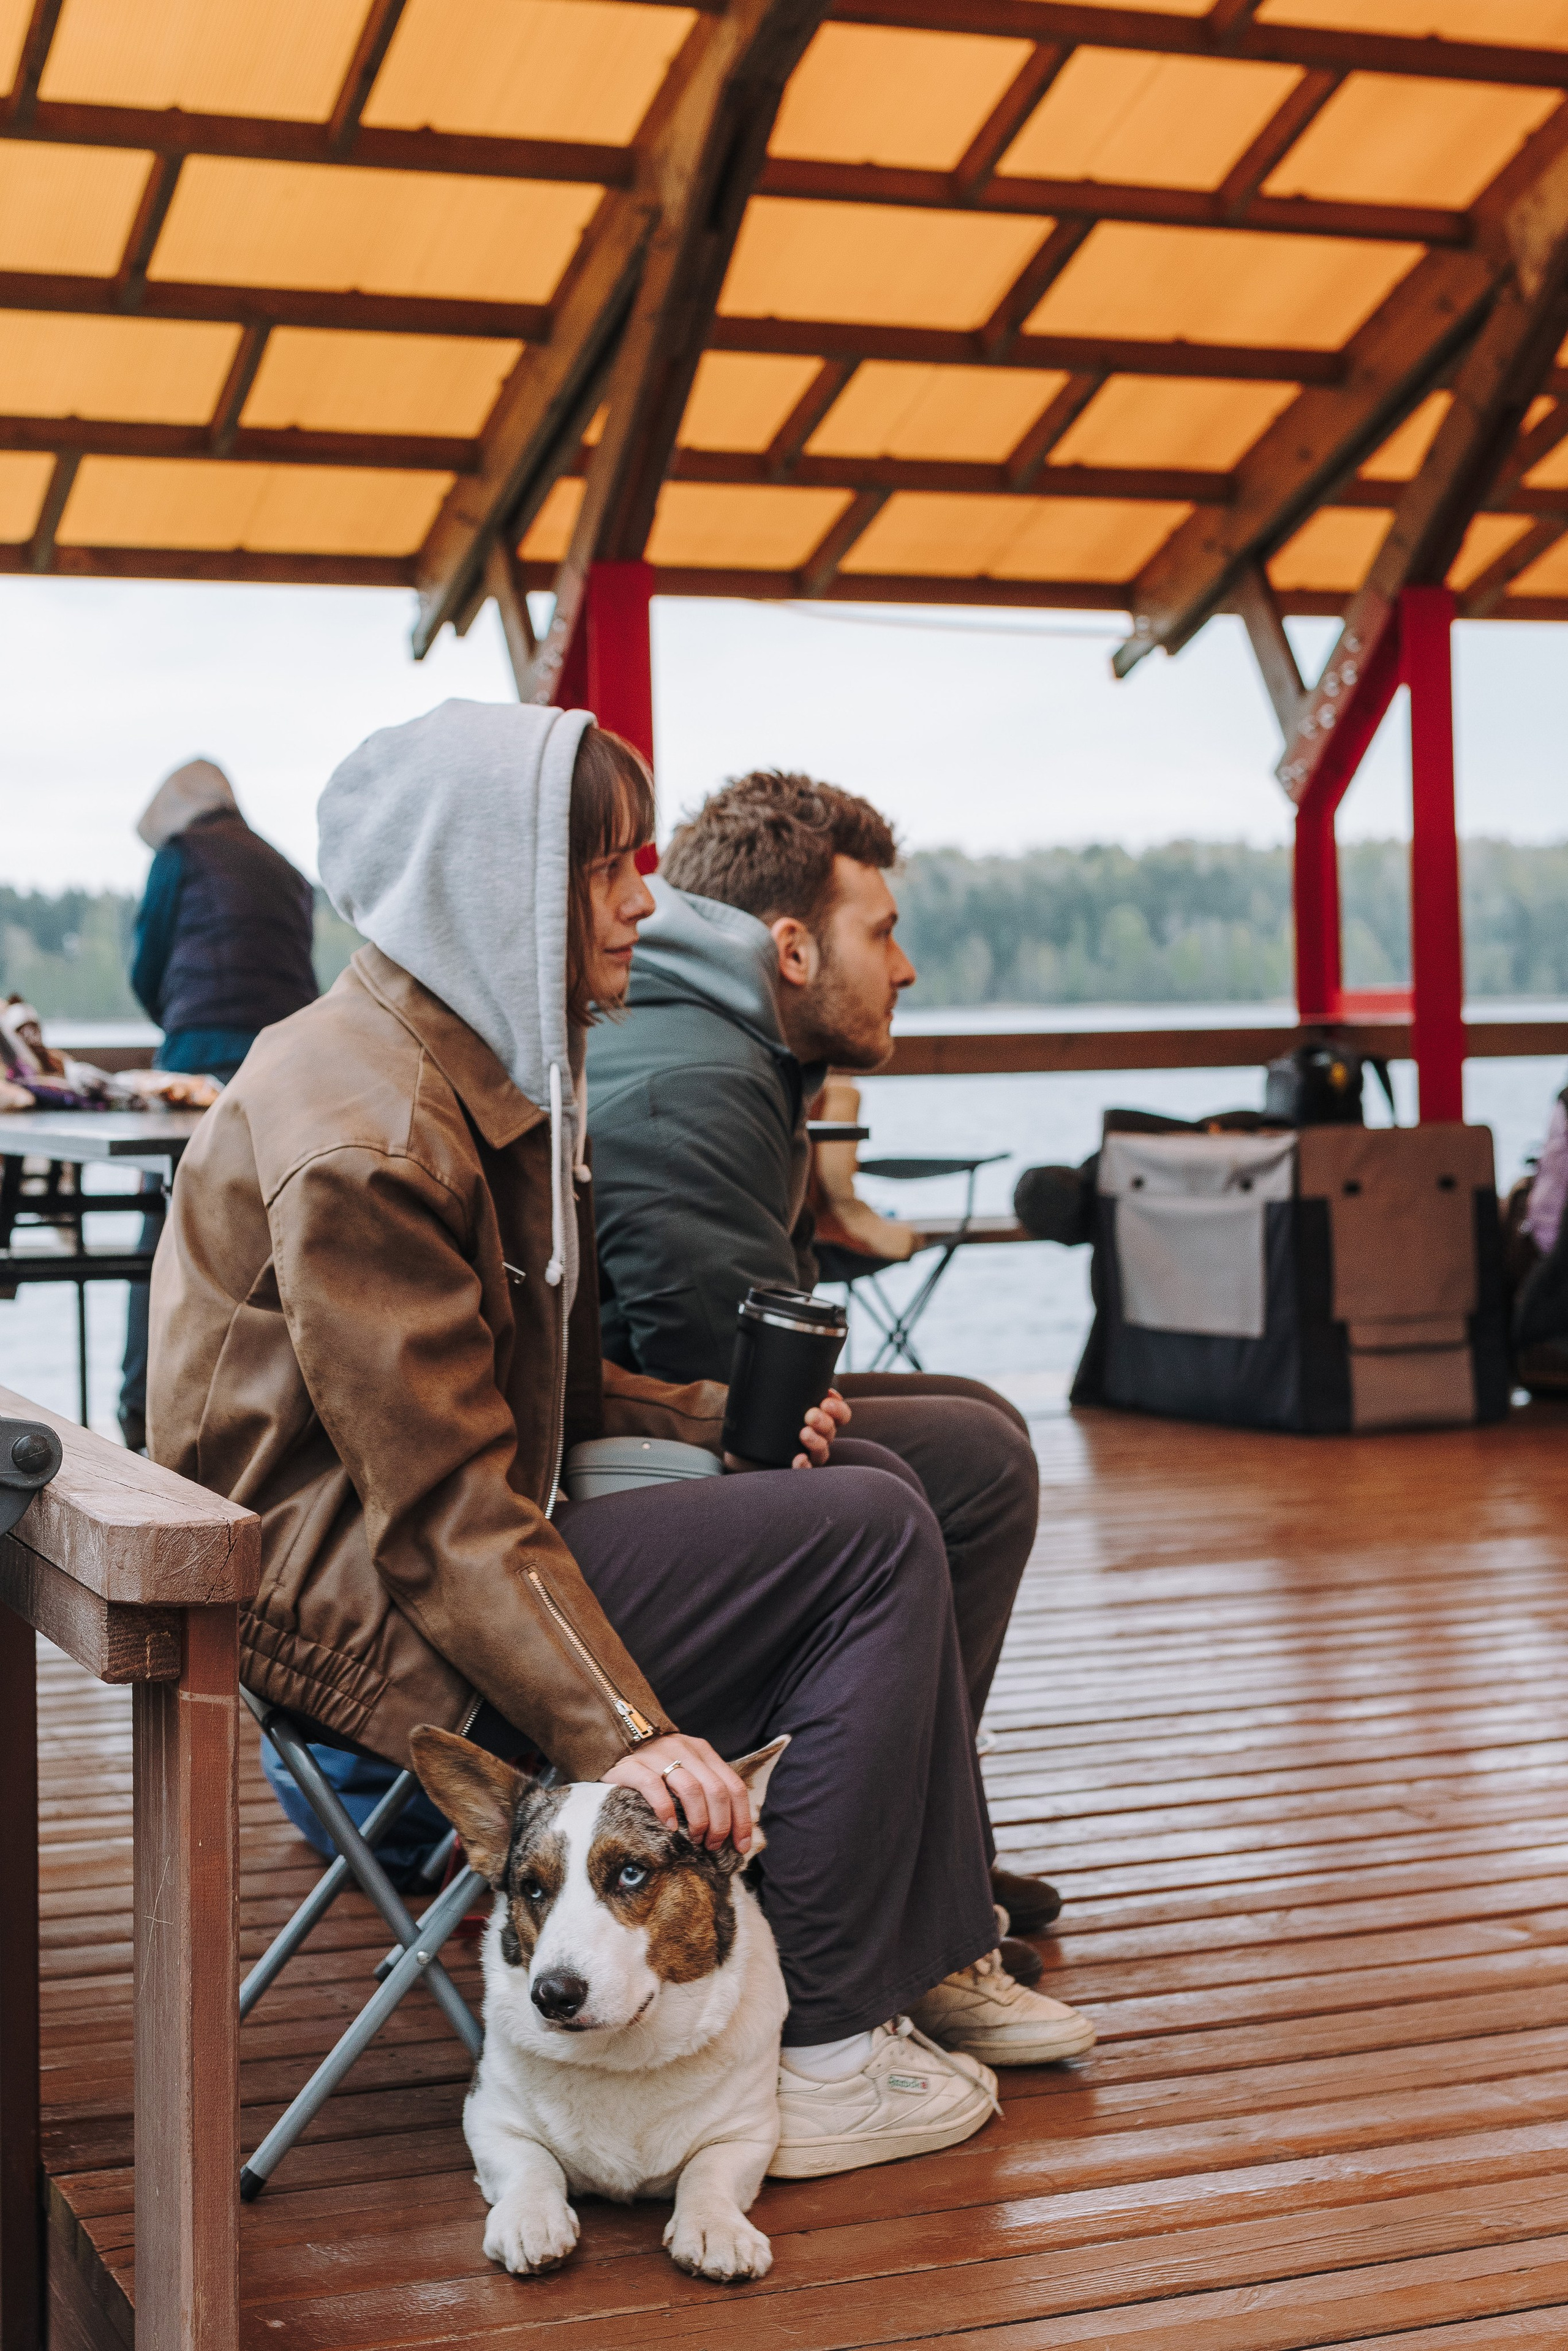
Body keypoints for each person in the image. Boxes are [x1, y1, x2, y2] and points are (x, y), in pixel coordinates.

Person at [148, 701, 1095, 2178]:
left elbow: (517, 1386)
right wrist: (629, 1734)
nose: (645, 901)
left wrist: (705, 1419)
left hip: (423, 1539)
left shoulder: (463, 1065)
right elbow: (445, 1513)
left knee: (936, 1467)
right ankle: (825, 2047)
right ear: (489, 878)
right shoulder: (369, 1131)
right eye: (603, 867)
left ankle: (907, 1931)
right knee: (863, 1528)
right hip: (352, 1606)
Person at [586, 770, 1058, 1946]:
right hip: (620, 1471)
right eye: (883, 932)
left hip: (629, 1430)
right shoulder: (698, 1077)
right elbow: (729, 1387)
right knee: (973, 1463)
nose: (904, 968)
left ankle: (930, 1837)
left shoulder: (709, 1035)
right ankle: (879, 1862)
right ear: (793, 947)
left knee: (976, 1417)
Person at [119, 759, 317, 1448]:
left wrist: (178, 1018)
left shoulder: (180, 856)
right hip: (284, 1067)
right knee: (276, 1236)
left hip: (196, 1060)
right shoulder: (287, 869)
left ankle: (142, 1413)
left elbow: (147, 965)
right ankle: (271, 1423)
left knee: (163, 1222)